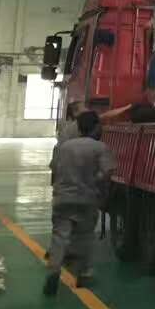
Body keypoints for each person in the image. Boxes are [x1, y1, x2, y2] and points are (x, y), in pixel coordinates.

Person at [45, 109, 115, 296]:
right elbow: (108, 171)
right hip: (86, 198)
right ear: (95, 127)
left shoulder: (65, 147)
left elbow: (54, 168)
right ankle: (84, 274)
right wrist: (96, 181)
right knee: (84, 236)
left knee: (60, 236)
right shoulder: (100, 147)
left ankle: (53, 270)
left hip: (62, 198)